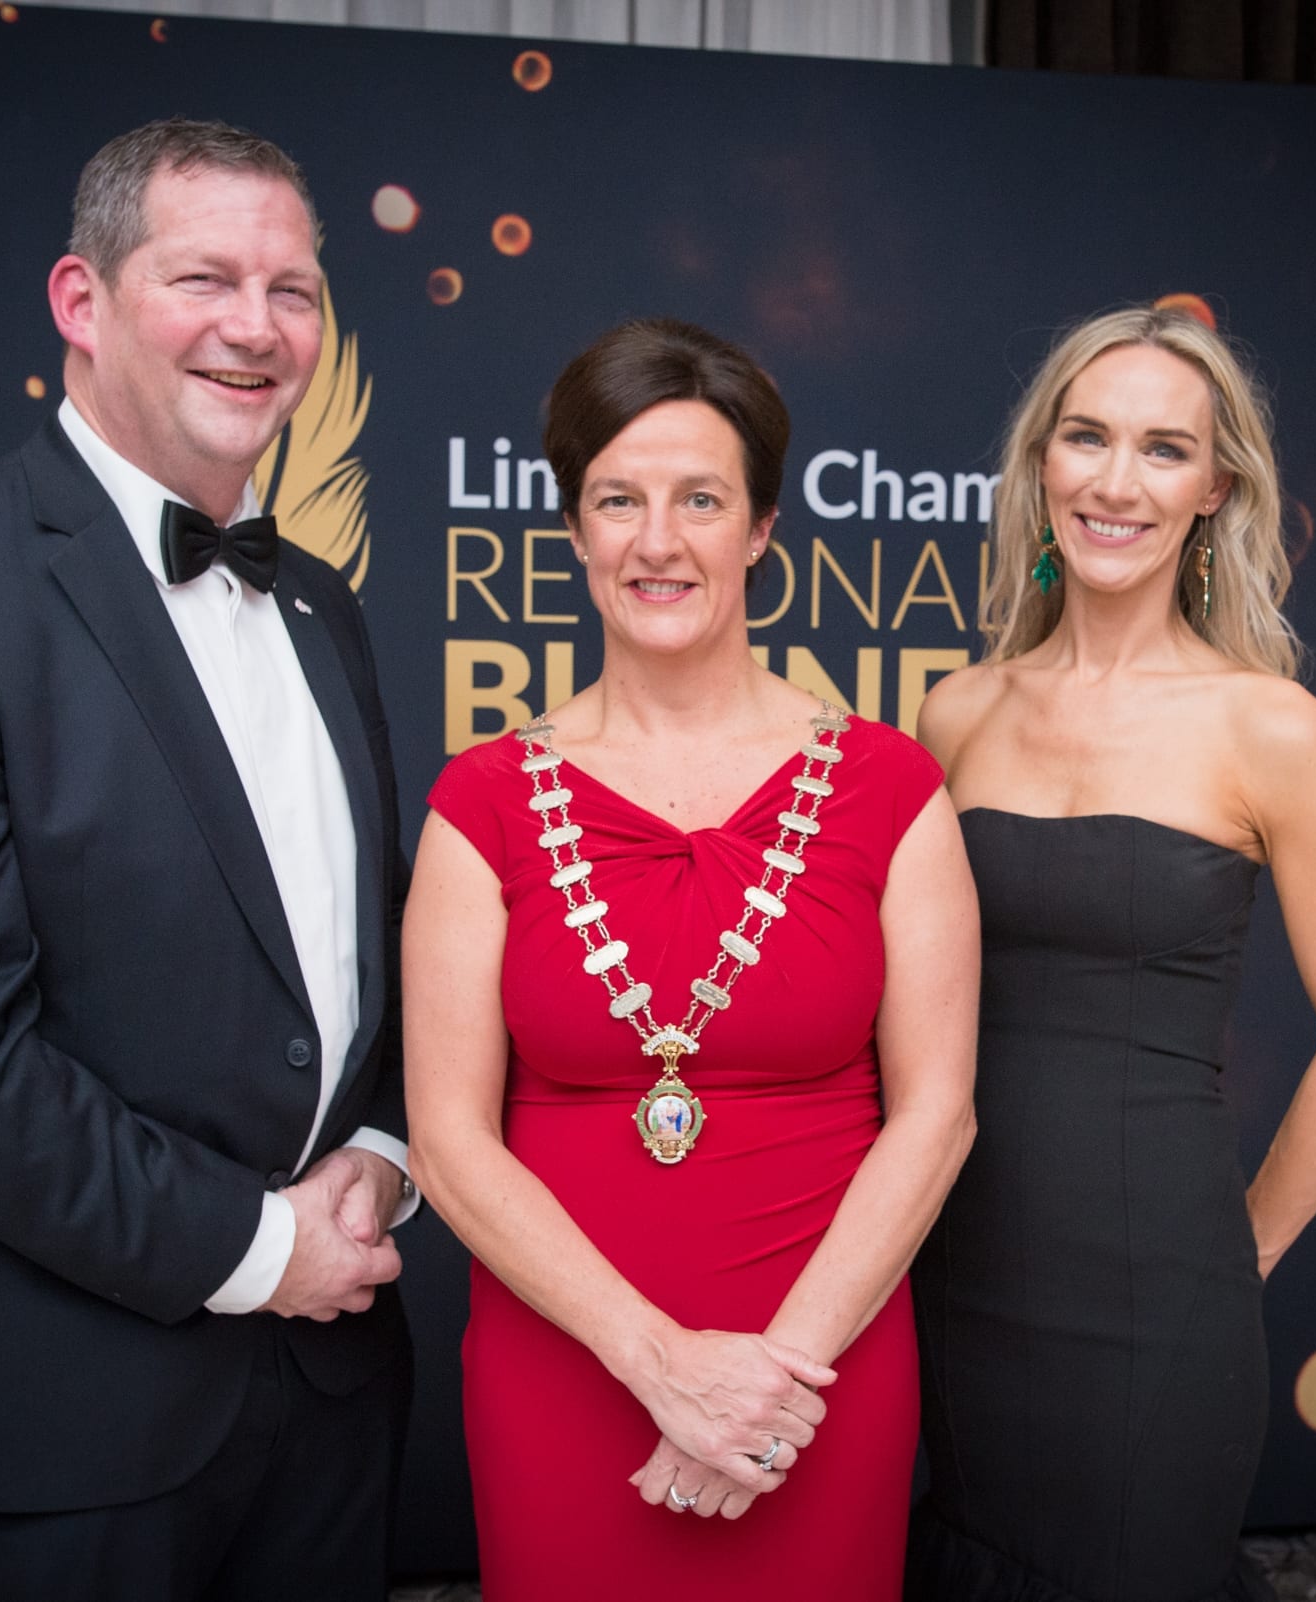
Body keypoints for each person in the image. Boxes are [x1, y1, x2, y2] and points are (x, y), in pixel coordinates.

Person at [0, 119, 414, 1602]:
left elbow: (366, 952)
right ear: (82, 301)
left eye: (294, 289)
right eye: (205, 279)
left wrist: (378, 1155)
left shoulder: (322, 607)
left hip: (331, 1394)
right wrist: (257, 1246)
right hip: (57, 1412)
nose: (257, 328)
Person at [402, 318, 979, 1601]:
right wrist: (663, 1365)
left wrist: (770, 1384)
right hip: (568, 1363)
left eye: (700, 500)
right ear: (574, 528)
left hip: (818, 1375)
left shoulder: (894, 789)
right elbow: (447, 1142)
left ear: (763, 528)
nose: (657, 541)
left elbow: (935, 1117)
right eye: (619, 499)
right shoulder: (483, 802)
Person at [908, 305, 1316, 1602]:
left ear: (1215, 487)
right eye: (1087, 437)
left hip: (1164, 1303)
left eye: (1163, 449)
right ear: (1041, 465)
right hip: (953, 1277)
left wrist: (1241, 1256)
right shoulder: (956, 712)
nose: (1117, 481)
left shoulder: (1270, 727)